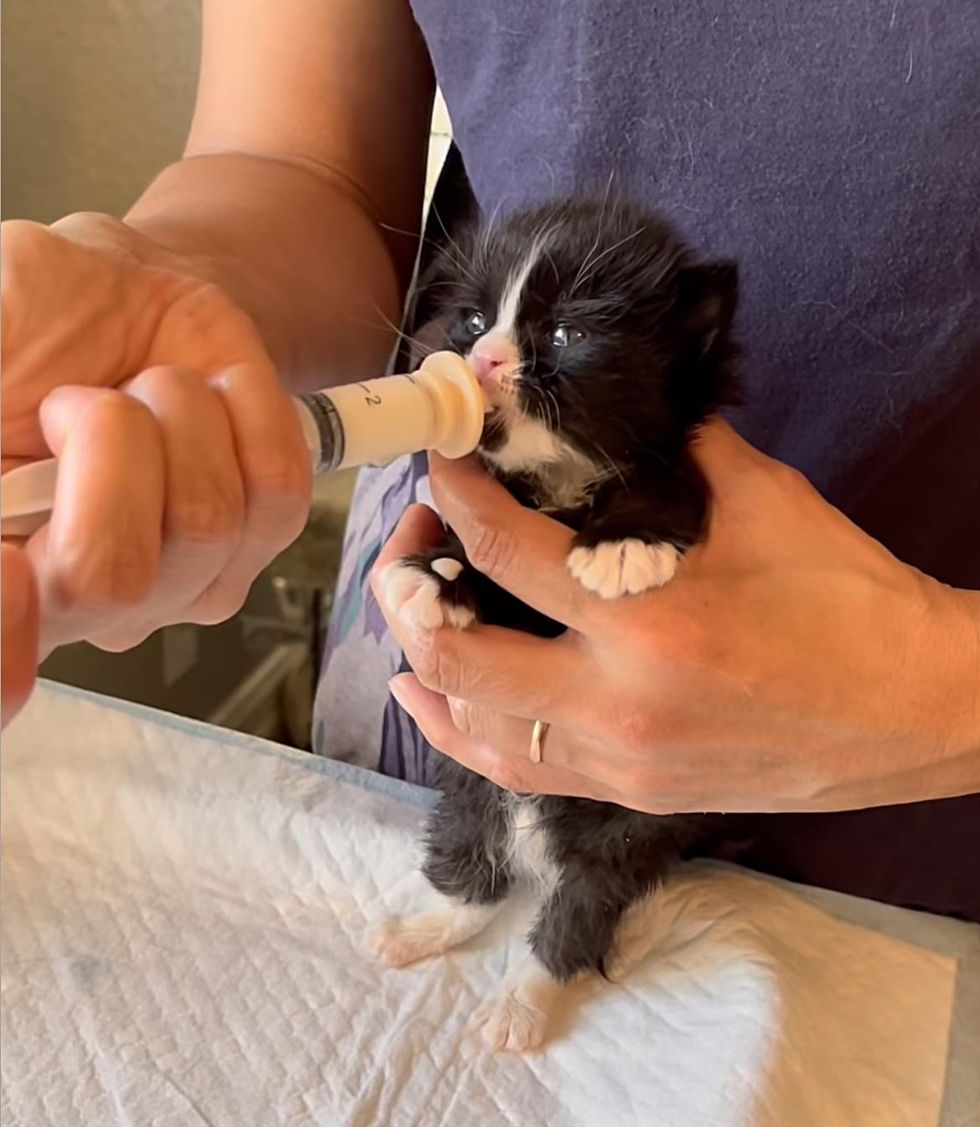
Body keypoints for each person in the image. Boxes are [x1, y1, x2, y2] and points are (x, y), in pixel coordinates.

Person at [1, 2, 977, 916]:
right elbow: (299, 162)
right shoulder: (486, 365)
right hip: (470, 652)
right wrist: (165, 293)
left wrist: (935, 691)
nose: (480, 351)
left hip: (925, 809)